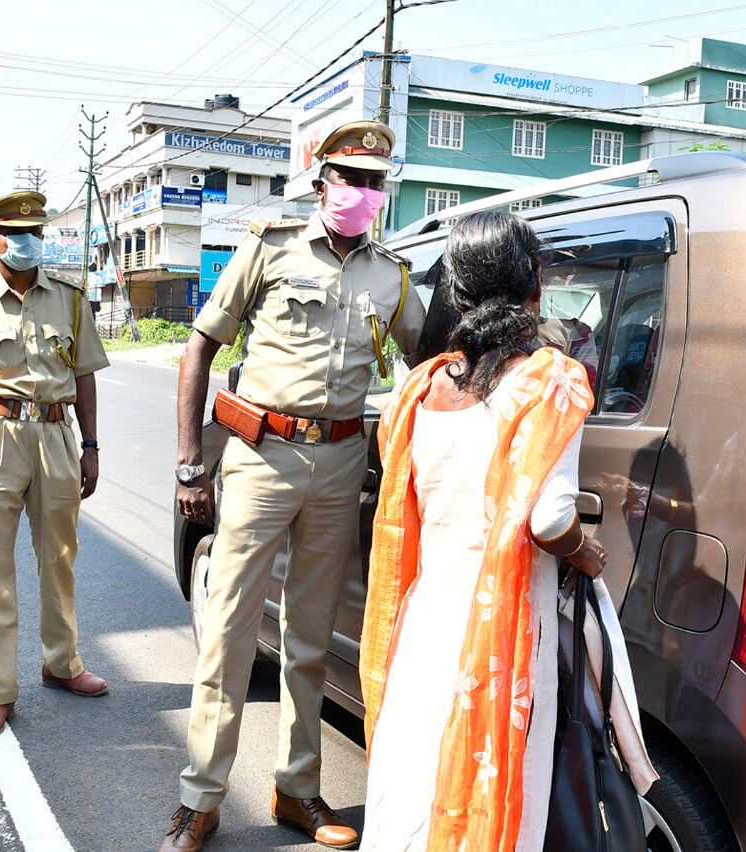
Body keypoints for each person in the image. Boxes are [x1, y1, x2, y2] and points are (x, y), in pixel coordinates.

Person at [162, 119, 425, 852]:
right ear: (321, 182)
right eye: (351, 177)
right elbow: (200, 346)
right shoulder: (269, 248)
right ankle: (200, 799)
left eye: (376, 182)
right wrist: (191, 461)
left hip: (342, 465)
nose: (363, 192)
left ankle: (296, 790)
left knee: (308, 640)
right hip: (261, 457)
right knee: (230, 634)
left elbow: (432, 361)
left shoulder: (392, 277)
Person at [359, 211, 608, 851]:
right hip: (501, 637)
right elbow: (550, 517)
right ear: (535, 286)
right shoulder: (548, 380)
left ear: (457, 292)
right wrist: (586, 552)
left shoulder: (418, 388)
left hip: (422, 624)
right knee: (492, 802)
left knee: (411, 792)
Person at [0, 190, 110, 741]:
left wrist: (92, 445)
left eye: (37, 232)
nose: (31, 241)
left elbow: (85, 375)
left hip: (57, 434)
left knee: (59, 558)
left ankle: (62, 663)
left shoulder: (72, 298)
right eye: (18, 232)